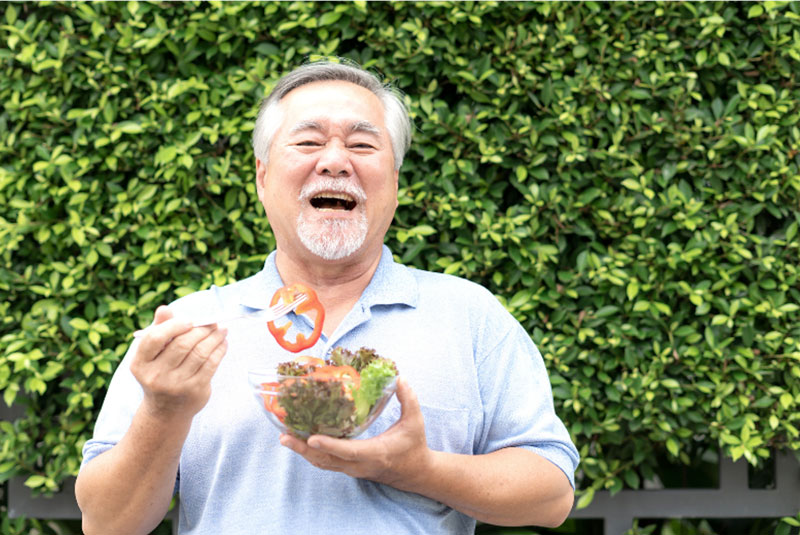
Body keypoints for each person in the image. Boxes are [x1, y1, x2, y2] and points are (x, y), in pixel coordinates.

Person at [75, 60, 579, 534]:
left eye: (362, 146)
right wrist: (164, 409)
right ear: (262, 176)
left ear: (396, 183)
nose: (335, 161)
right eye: (308, 141)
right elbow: (105, 523)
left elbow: (551, 495)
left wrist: (418, 469)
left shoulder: (469, 315)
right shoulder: (189, 330)